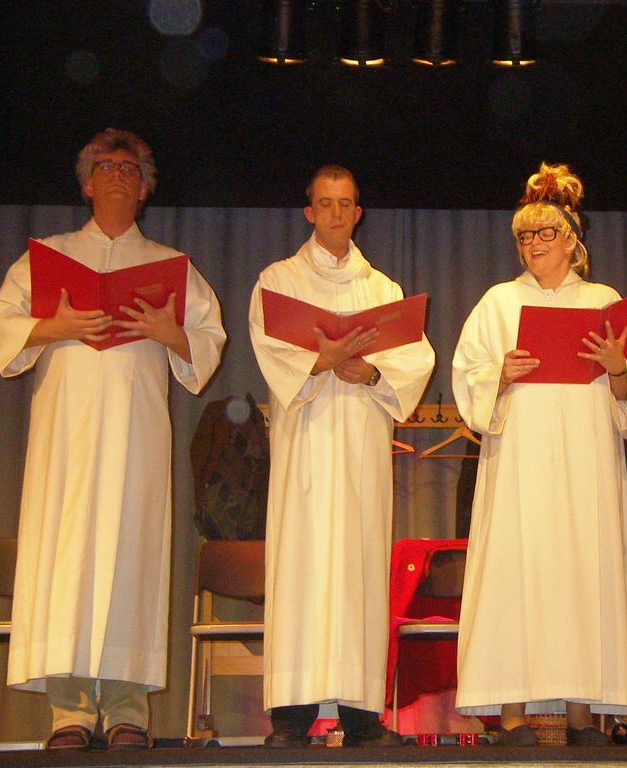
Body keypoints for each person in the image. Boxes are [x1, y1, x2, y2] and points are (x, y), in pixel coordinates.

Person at [0, 128, 226, 749]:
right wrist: (54, 325)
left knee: (131, 554)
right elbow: (0, 325)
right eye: (106, 166)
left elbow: (208, 343)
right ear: (87, 183)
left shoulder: (170, 266)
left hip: (136, 434)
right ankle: (68, 712)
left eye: (129, 168)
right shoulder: (48, 257)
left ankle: (126, 711)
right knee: (66, 556)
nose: (118, 174)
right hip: (65, 433)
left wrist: (171, 333)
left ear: (144, 189)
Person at [451, 163, 627, 746]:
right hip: (520, 463)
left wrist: (617, 370)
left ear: (571, 240)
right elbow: (468, 377)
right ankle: (513, 715)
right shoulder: (498, 303)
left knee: (582, 576)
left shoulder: (604, 301)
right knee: (516, 576)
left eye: (545, 233)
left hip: (585, 463)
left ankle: (580, 716)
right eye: (525, 236)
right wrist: (500, 375)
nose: (534, 244)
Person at [248, 165, 435, 748]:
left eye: (345, 203)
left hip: (359, 447)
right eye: (325, 203)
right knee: (300, 569)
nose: (335, 213)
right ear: (309, 211)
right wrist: (322, 362)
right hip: (305, 446)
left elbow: (414, 359)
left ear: (358, 212)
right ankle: (291, 716)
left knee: (359, 569)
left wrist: (372, 372)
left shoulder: (382, 290)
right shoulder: (279, 281)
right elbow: (271, 351)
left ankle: (360, 715)